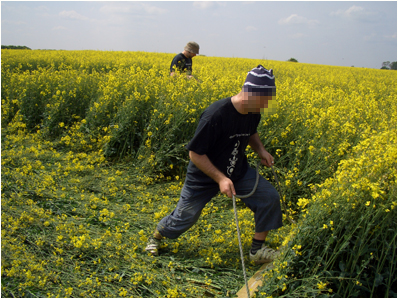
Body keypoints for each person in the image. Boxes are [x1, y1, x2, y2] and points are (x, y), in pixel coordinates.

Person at [145, 65, 282, 265]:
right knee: (185, 217)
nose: (268, 104)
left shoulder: (254, 111)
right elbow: (195, 153)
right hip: (204, 175)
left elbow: (251, 131)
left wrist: (260, 150)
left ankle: (257, 250)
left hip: (237, 171)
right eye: (265, 99)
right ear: (250, 93)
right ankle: (157, 236)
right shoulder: (216, 114)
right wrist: (220, 178)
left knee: (269, 197)